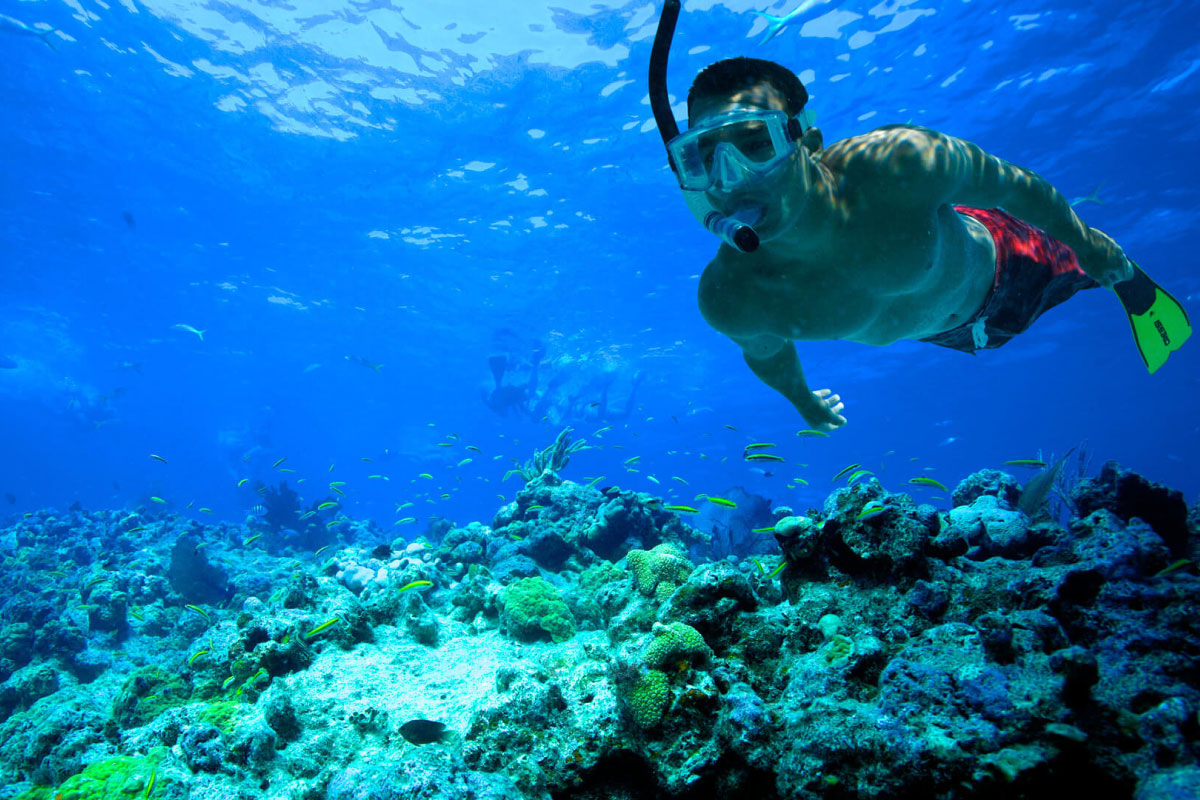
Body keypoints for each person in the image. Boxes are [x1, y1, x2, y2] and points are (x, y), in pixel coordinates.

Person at [647, 2, 1191, 432]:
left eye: (752, 143)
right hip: (952, 336)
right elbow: (765, 351)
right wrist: (804, 402)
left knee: (1094, 266)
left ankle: (1119, 271)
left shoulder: (900, 164)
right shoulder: (730, 297)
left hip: (1012, 263)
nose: (729, 178)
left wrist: (1084, 241)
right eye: (700, 157)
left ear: (807, 141)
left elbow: (1011, 185)